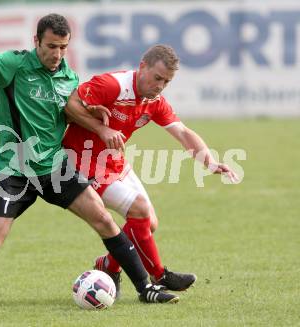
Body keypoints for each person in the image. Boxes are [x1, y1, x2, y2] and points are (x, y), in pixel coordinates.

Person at [0, 14, 180, 307]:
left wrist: (94, 116)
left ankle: (146, 288)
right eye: (51, 46)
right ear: (36, 41)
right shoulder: (16, 65)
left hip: (55, 168)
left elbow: (72, 112)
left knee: (103, 219)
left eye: (63, 47)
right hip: (15, 171)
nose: (57, 54)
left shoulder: (68, 78)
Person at [63, 44, 239, 297]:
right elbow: (71, 106)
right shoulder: (112, 85)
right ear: (142, 66)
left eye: (166, 82)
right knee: (141, 211)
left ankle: (108, 264)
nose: (160, 86)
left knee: (148, 224)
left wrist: (209, 161)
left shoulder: (154, 101)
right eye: (157, 78)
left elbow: (182, 132)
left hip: (115, 163)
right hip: (83, 162)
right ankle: (159, 276)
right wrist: (101, 128)